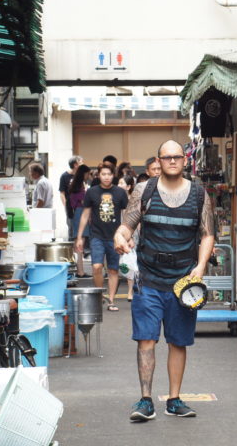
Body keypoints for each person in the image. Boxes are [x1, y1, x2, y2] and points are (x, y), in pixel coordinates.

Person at [115, 140, 215, 423]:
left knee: (177, 342)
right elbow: (127, 224)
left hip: (184, 282)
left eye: (177, 157)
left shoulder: (198, 194)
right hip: (148, 279)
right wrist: (119, 237)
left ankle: (174, 399)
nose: (172, 161)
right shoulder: (144, 190)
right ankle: (146, 400)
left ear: (185, 161)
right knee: (146, 339)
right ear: (158, 161)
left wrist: (201, 266)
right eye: (166, 157)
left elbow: (207, 234)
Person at [75, 162, 129, 310]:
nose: (106, 177)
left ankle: (111, 301)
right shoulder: (92, 192)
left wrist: (128, 237)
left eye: (109, 174)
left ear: (113, 176)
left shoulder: (120, 193)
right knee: (97, 267)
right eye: (103, 174)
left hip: (115, 237)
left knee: (113, 270)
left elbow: (126, 215)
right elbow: (85, 214)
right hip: (96, 235)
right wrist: (79, 237)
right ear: (98, 175)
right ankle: (99, 296)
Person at [67, 164, 93, 277]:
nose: (89, 176)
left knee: (78, 242)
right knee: (80, 242)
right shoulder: (79, 187)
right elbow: (84, 202)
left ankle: (78, 269)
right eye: (88, 173)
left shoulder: (76, 185)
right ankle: (80, 271)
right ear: (83, 173)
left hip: (77, 213)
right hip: (81, 213)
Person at [59, 156, 82, 239]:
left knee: (81, 226)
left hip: (81, 205)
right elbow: (62, 193)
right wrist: (66, 205)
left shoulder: (82, 175)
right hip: (70, 205)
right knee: (71, 225)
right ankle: (71, 246)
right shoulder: (64, 176)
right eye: (81, 162)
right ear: (75, 165)